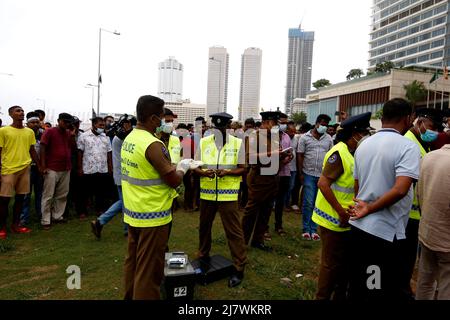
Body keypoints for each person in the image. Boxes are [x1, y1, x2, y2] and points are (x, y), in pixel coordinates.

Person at [122, 95, 201, 300]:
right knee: (149, 270)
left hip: (134, 211)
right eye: (161, 117)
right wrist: (183, 167)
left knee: (134, 262)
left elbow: (149, 171)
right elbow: (173, 180)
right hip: (153, 215)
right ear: (153, 118)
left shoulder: (130, 138)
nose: (163, 122)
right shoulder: (153, 144)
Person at [347, 98, 420, 301]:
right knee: (376, 286)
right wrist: (369, 208)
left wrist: (363, 205)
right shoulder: (407, 147)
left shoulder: (364, 143)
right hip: (382, 232)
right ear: (407, 118)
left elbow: (357, 184)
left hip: (360, 227)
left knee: (361, 283)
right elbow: (400, 189)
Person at [312, 112, 372, 300]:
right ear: (354, 134)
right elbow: (323, 184)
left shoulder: (352, 153)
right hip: (333, 220)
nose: (365, 138)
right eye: (363, 134)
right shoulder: (339, 153)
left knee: (343, 263)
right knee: (330, 265)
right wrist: (341, 212)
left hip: (346, 220)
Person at [194, 112, 247, 288]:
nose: (218, 130)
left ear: (228, 127)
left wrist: (228, 172)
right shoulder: (203, 142)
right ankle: (203, 256)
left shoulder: (237, 143)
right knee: (204, 227)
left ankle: (239, 267)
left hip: (228, 194)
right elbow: (196, 166)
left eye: (222, 127)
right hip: (207, 193)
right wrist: (203, 172)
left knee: (233, 231)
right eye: (216, 128)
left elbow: (243, 168)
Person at [401, 107, 442, 298]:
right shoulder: (408, 143)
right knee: (406, 257)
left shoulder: (421, 144)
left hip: (418, 213)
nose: (432, 132)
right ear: (419, 122)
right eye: (431, 127)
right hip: (408, 214)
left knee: (413, 258)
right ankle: (402, 288)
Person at [242, 111, 288, 252]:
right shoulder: (254, 136)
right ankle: (242, 241)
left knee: (266, 212)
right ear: (266, 122)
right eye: (275, 123)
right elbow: (250, 158)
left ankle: (258, 240)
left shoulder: (274, 137)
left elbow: (275, 158)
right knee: (251, 212)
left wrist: (284, 158)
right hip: (258, 179)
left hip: (272, 179)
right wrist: (273, 154)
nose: (277, 126)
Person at [91, 116, 136, 239]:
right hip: (123, 175)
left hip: (122, 174)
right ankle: (123, 228)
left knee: (124, 202)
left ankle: (100, 222)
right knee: (125, 203)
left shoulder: (119, 137)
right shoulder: (121, 138)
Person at [415, 143, 450, 300]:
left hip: (426, 232)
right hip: (446, 240)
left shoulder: (429, 157)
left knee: (425, 281)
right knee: (446, 286)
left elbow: (419, 193)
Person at [0, 106, 40, 239]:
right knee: (4, 200)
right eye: (18, 111)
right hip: (8, 169)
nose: (21, 113)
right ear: (10, 114)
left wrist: (40, 165)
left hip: (25, 169)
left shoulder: (29, 132)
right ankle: (2, 227)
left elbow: (32, 150)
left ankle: (16, 225)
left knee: (20, 199)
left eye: (22, 111)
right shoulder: (4, 131)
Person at [296, 114, 333, 241]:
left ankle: (314, 229)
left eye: (326, 125)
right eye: (322, 124)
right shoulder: (304, 138)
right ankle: (306, 229)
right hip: (308, 174)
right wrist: (300, 173)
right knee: (308, 202)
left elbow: (330, 157)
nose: (324, 127)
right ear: (316, 123)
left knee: (318, 204)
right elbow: (300, 155)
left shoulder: (328, 139)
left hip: (322, 176)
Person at [40, 113, 76, 229]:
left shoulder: (68, 133)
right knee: (48, 195)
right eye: (65, 121)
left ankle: (57, 216)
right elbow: (43, 148)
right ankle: (45, 220)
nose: (67, 124)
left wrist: (72, 135)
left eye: (68, 122)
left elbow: (73, 147)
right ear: (59, 121)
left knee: (62, 195)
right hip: (52, 168)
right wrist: (43, 166)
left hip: (65, 168)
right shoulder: (50, 131)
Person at [77, 117, 112, 218]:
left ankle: (99, 210)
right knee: (84, 192)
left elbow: (109, 153)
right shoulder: (84, 136)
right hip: (88, 169)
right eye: (100, 125)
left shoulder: (105, 137)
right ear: (94, 125)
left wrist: (110, 167)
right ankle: (82, 211)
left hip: (102, 168)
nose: (102, 127)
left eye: (103, 125)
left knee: (100, 192)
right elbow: (80, 152)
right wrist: (80, 168)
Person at [20, 112, 44, 226]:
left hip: (39, 168)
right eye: (32, 122)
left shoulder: (43, 134)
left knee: (40, 193)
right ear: (27, 123)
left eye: (37, 122)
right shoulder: (23, 134)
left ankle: (40, 215)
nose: (35, 124)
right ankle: (23, 218)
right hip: (26, 168)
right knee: (26, 194)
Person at [272, 113, 293, 236]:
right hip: (271, 174)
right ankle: (263, 228)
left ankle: (278, 225)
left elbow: (290, 153)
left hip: (285, 173)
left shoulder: (286, 137)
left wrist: (288, 158)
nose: (284, 125)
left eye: (285, 123)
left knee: (280, 201)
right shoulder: (269, 137)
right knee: (268, 201)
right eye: (282, 123)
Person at [285, 121, 301, 213]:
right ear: (287, 131)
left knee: (291, 187)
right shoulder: (283, 138)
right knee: (284, 187)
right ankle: (284, 203)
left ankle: (288, 203)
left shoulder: (297, 139)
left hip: (293, 167)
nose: (293, 133)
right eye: (291, 131)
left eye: (294, 131)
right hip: (284, 167)